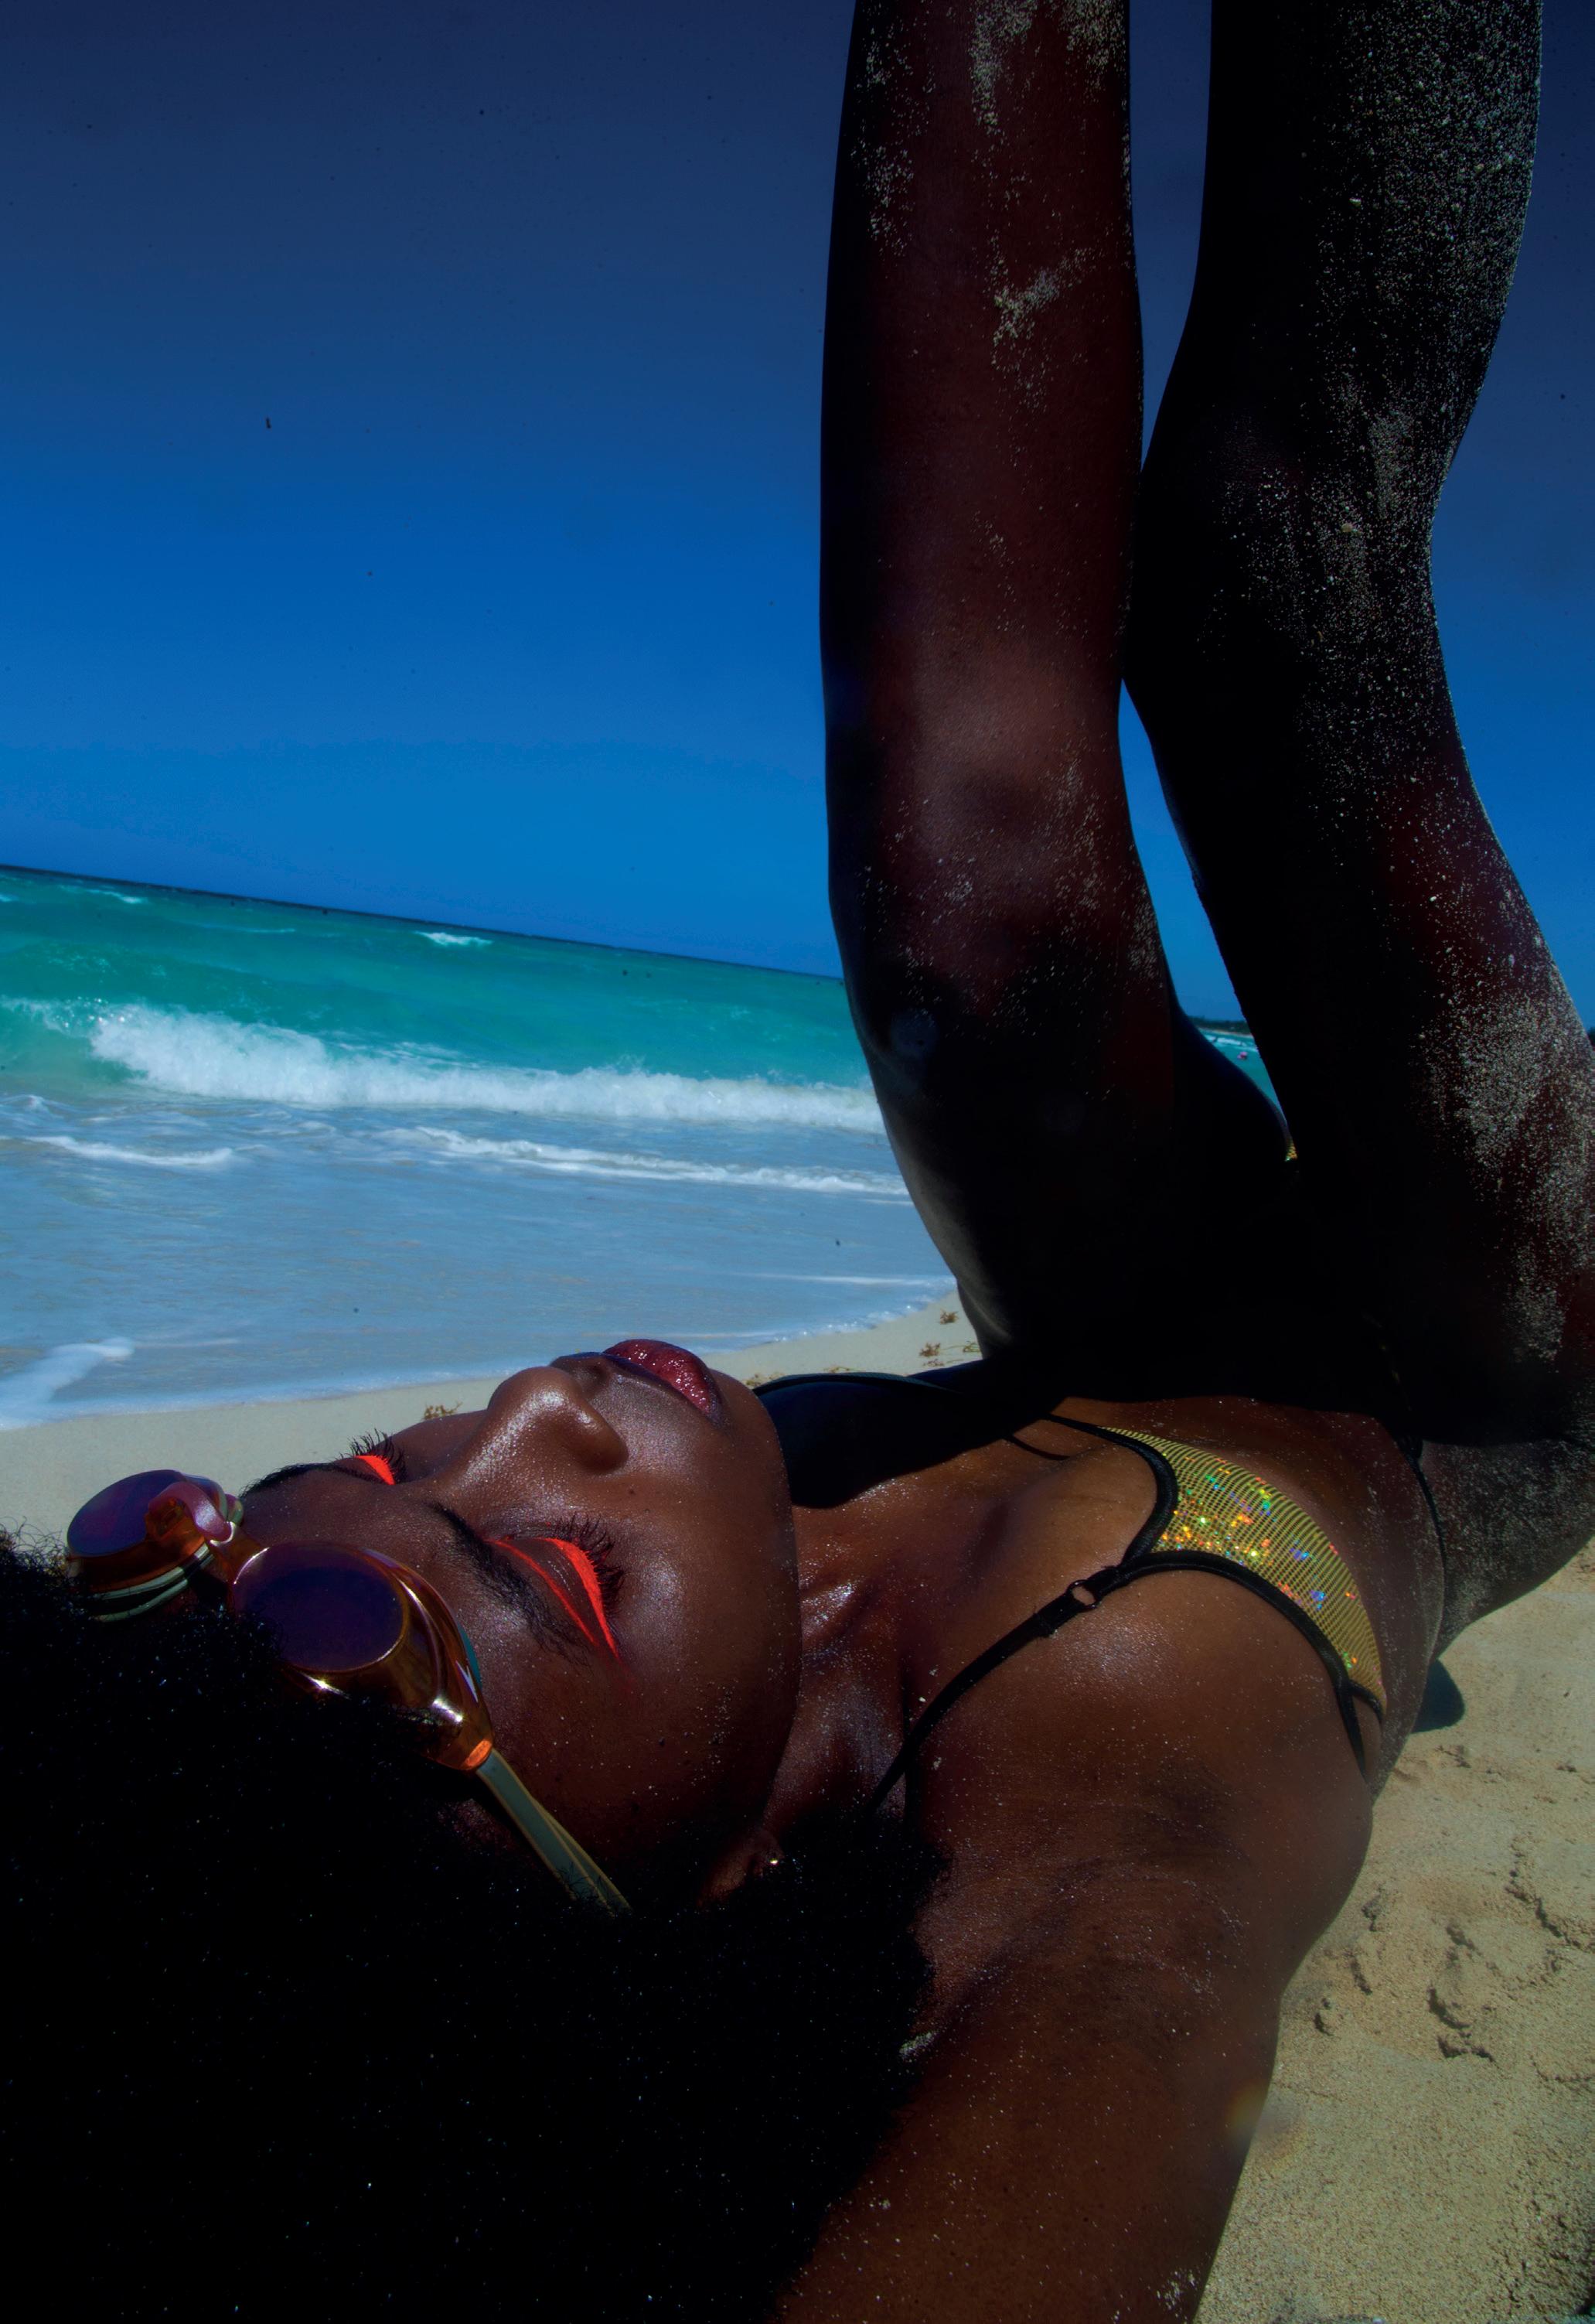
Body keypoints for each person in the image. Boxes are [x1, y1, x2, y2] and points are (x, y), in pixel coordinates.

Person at [5, 2, 1591, 2316]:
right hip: (1468, 1382)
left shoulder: (653, 1636)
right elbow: (1093, 2080)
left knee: (969, 898)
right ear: (713, 1894)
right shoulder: (1108, 1803)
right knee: (1274, 571)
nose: (533, 1404)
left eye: (406, 1446)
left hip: (1123, 1311)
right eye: (548, 1568)